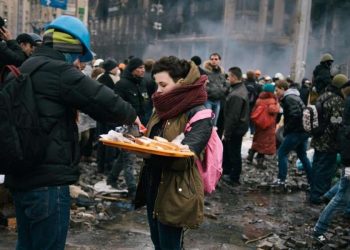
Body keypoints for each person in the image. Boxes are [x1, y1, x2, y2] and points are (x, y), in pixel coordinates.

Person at [4, 15, 139, 250]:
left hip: (21, 176)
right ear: (70, 47)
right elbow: (102, 99)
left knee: (26, 244)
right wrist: (131, 115)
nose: (78, 63)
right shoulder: (58, 71)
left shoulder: (25, 67)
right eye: (78, 56)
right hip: (49, 182)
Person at [134, 56, 212, 250]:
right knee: (157, 242)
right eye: (156, 85)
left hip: (176, 188)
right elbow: (151, 136)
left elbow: (185, 159)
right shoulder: (162, 106)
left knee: (170, 245)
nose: (158, 91)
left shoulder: (199, 113)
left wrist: (150, 152)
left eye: (162, 85)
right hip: (153, 180)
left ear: (180, 83)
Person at [313, 80, 350, 243]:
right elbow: (341, 128)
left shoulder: (324, 96)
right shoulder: (339, 102)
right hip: (332, 145)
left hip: (322, 141)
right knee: (342, 193)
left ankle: (323, 195)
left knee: (320, 169)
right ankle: (319, 227)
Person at [107, 57, 146, 197]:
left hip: (139, 125)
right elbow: (117, 105)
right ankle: (132, 189)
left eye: (143, 67)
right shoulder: (122, 84)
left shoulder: (143, 83)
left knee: (125, 155)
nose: (142, 70)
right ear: (132, 69)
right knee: (129, 158)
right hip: (125, 125)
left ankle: (111, 178)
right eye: (139, 68)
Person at [309, 74, 348, 204]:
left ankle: (313, 193)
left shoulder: (323, 95)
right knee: (325, 170)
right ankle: (318, 196)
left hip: (318, 138)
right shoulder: (337, 100)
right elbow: (335, 121)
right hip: (328, 142)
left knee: (317, 166)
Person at [273, 80, 312, 186]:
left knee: (282, 153)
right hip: (303, 131)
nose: (275, 93)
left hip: (296, 131)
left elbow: (295, 116)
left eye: (276, 90)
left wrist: (286, 130)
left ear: (282, 88)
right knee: (302, 155)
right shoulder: (294, 96)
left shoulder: (289, 98)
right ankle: (312, 180)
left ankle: (281, 179)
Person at [222, 67, 249, 186]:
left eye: (229, 76)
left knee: (234, 152)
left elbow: (233, 117)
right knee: (231, 150)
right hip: (240, 127)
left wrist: (226, 133)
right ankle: (228, 172)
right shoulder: (240, 89)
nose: (228, 78)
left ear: (234, 77)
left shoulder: (236, 95)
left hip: (236, 129)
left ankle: (234, 177)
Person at [247, 83, 280, 168]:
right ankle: (260, 162)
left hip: (259, 124)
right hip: (268, 126)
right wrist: (277, 104)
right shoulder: (272, 101)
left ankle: (250, 156)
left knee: (257, 140)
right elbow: (273, 110)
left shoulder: (259, 99)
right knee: (264, 143)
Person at [204, 52, 227, 126]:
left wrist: (222, 91)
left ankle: (212, 137)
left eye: (216, 59)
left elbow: (225, 84)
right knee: (207, 122)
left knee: (214, 124)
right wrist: (209, 91)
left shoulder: (222, 73)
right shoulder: (205, 72)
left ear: (219, 60)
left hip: (218, 100)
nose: (214, 60)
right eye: (212, 59)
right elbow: (202, 85)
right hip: (208, 99)